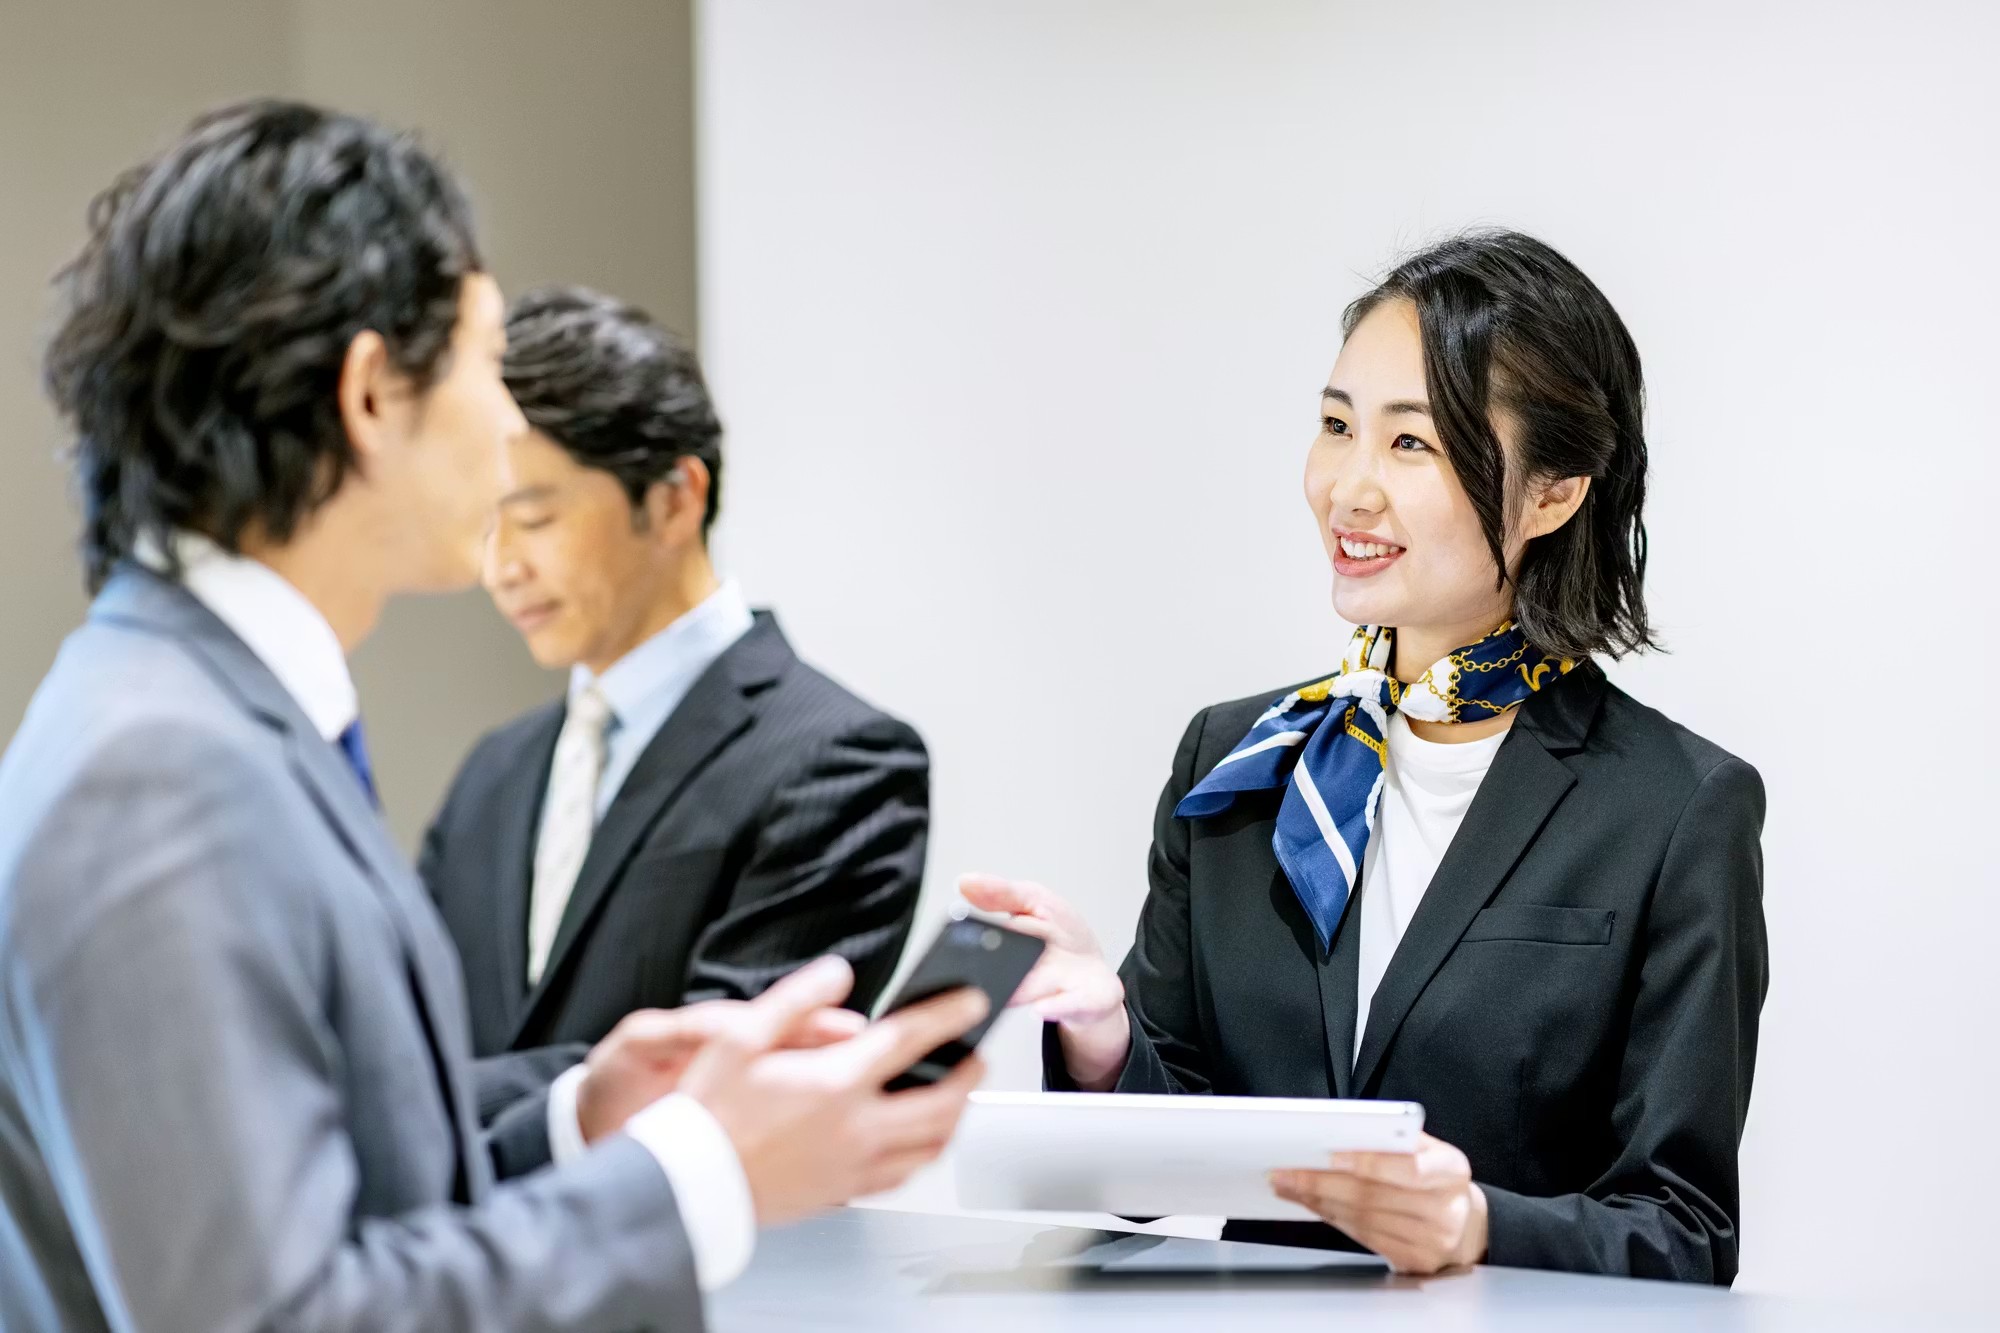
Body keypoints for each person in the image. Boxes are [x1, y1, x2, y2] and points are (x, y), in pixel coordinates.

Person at [0, 100, 985, 1333]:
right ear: (371, 395)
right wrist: (696, 1175)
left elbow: (339, 1206)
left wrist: (580, 1122)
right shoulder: (158, 771)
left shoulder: (203, 721)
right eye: (479, 356)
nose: (510, 417)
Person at [963, 230, 1767, 1284]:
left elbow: (1681, 1230)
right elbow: (1162, 1170)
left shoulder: (1674, 808)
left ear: (1550, 492)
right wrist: (1104, 1039)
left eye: (1411, 445)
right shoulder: (1238, 763)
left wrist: (1475, 1223)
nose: (1346, 490)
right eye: (1335, 426)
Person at [422, 287, 926, 1113]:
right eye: (484, 524)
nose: (499, 566)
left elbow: (714, 1084)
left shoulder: (840, 759)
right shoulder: (494, 771)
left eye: (535, 517)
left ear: (673, 498)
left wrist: (413, 1105)